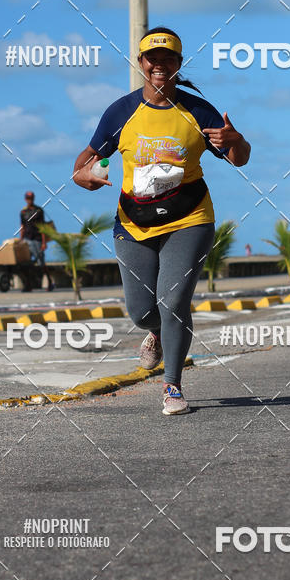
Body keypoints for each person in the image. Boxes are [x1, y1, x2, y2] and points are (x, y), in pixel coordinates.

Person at [72, 26, 251, 415]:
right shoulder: (121, 112)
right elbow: (84, 162)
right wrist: (84, 176)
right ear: (141, 64)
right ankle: (155, 332)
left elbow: (239, 159)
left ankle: (172, 386)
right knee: (141, 312)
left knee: (173, 303)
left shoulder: (196, 110)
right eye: (152, 59)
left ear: (178, 64)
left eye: (168, 59)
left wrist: (235, 141)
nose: (159, 66)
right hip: (133, 223)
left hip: (190, 217)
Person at [19, 191, 54, 291]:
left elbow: (42, 227)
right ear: (25, 199)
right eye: (28, 198)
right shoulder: (23, 212)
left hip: (37, 240)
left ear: (33, 199)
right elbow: (22, 227)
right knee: (25, 263)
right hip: (26, 240)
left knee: (41, 263)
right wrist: (20, 240)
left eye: (31, 198)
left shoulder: (39, 211)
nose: (30, 200)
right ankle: (28, 285)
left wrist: (44, 242)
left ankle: (50, 282)